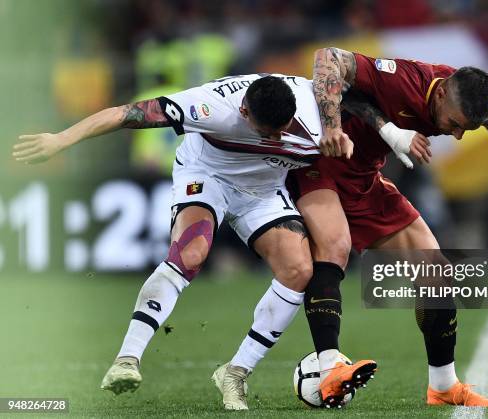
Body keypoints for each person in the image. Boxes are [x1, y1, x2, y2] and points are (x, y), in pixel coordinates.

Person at [13, 74, 375, 410]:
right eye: (267, 132)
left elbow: (362, 95)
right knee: (191, 253)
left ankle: (235, 373)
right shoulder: (209, 108)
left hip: (263, 191)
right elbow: (126, 114)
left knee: (298, 270)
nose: (276, 139)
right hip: (208, 175)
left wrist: (394, 135)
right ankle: (127, 358)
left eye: (281, 131)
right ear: (244, 111)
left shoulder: (312, 104)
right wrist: (60, 139)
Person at [288, 48, 488, 407]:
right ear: (443, 91)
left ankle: (444, 387)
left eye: (467, 128)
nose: (459, 135)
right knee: (335, 246)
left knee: (435, 271)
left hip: (364, 178)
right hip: (322, 162)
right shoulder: (402, 79)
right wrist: (348, 127)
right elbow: (328, 59)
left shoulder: (461, 97)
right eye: (457, 124)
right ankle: (329, 368)